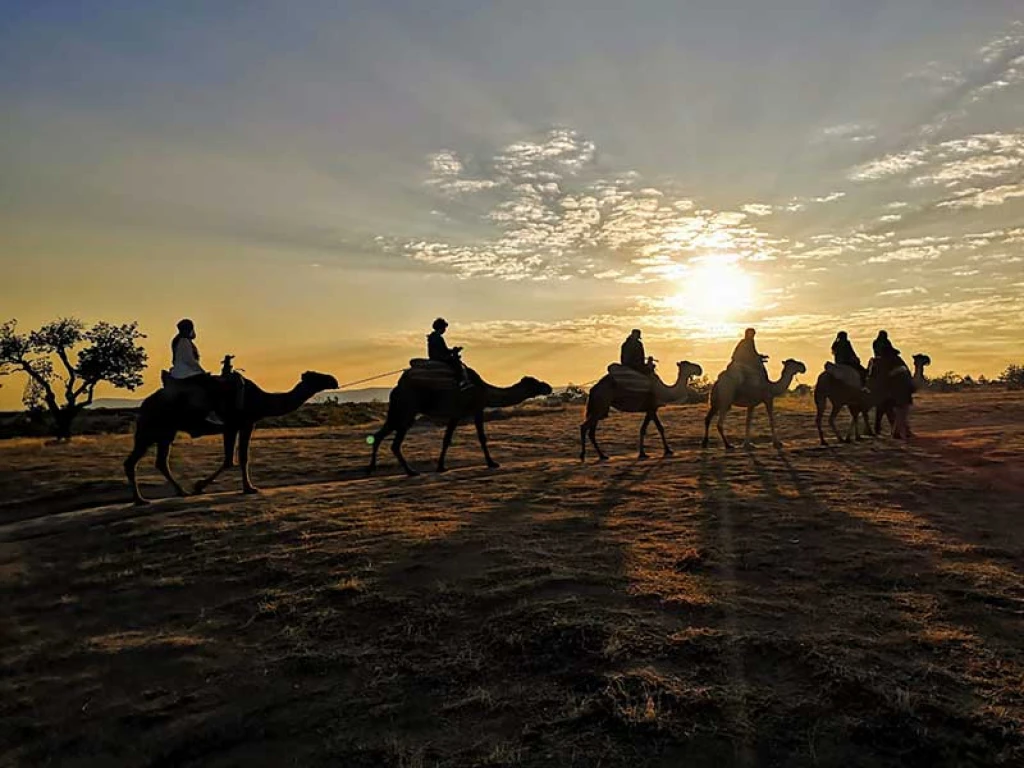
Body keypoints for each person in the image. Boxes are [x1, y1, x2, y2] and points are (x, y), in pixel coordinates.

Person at [169, 319, 226, 427]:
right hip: (186, 373)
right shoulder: (184, 341)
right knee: (212, 386)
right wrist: (202, 372)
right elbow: (190, 360)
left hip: (182, 371)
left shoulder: (179, 340)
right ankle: (211, 412)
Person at [427, 317, 471, 389]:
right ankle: (461, 382)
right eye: (444, 328)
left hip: (435, 356)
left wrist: (453, 350)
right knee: (456, 364)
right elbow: (443, 350)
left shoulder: (433, 336)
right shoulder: (438, 337)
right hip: (439, 357)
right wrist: (454, 351)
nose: (445, 330)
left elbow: (443, 350)